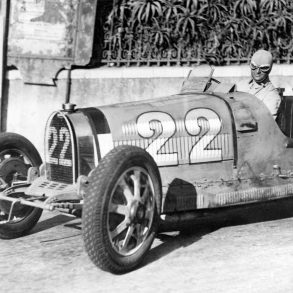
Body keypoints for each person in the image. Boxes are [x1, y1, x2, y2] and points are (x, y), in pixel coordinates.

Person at [237, 49, 281, 119]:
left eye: (263, 68)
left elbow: (267, 125)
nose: (257, 71)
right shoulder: (240, 85)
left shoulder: (272, 97)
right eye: (254, 66)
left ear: (270, 69)